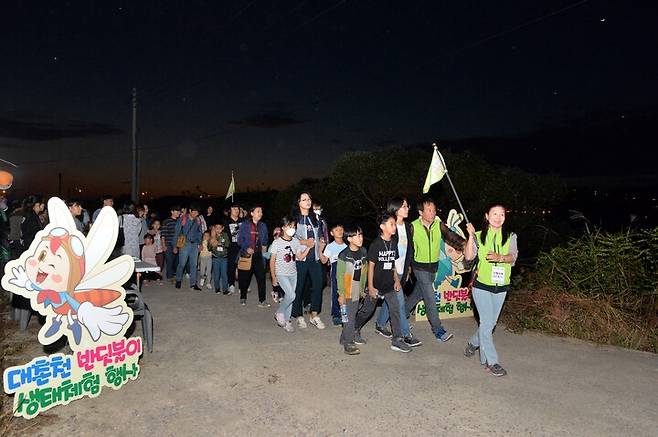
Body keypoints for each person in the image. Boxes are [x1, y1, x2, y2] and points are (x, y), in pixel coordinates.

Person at [463, 204, 518, 377]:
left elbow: (513, 257)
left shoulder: (510, 236)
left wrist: (500, 257)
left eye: (502, 214)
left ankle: (473, 343)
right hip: (481, 286)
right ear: (487, 216)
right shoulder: (479, 236)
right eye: (495, 213)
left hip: (501, 287)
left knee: (490, 324)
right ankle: (492, 362)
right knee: (487, 323)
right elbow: (469, 257)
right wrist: (471, 236)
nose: (498, 217)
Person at [405, 197, 453, 342]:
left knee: (417, 295)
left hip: (433, 267)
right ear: (421, 212)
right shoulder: (412, 227)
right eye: (429, 210)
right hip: (419, 267)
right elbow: (407, 248)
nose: (433, 213)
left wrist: (465, 244)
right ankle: (438, 330)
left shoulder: (438, 225)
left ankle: (401, 314)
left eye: (434, 210)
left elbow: (452, 237)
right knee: (430, 298)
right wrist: (407, 266)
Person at [375, 197, 422, 347]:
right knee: (400, 303)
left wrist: (408, 268)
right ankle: (405, 334)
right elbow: (383, 249)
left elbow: (409, 249)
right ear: (395, 208)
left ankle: (380, 324)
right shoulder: (390, 226)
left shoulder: (408, 227)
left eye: (407, 206)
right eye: (404, 206)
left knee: (392, 301)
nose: (407, 208)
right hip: (391, 271)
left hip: (402, 270)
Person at [367, 212, 412, 353]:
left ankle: (397, 340)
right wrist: (370, 286)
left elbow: (393, 264)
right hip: (376, 285)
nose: (394, 227)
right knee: (366, 311)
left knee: (396, 310)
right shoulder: (376, 244)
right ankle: (354, 329)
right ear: (382, 226)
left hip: (389, 285)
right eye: (391, 224)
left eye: (394, 224)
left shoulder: (394, 243)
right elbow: (371, 266)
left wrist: (397, 280)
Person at [269, 216, 311, 333]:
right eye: (289, 226)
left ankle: (287, 321)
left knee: (290, 297)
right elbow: (272, 260)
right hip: (281, 273)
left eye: (293, 227)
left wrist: (308, 248)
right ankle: (279, 312)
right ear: (283, 227)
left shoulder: (295, 241)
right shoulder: (277, 242)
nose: (292, 229)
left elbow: (300, 257)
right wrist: (273, 277)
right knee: (292, 295)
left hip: (293, 274)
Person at [291, 192, 326, 329]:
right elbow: (289, 238)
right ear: (298, 203)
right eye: (304, 199)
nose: (307, 201)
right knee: (299, 287)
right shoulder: (294, 219)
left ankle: (314, 315)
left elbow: (318, 236)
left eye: (309, 199)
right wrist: (304, 242)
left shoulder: (315, 218)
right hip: (300, 259)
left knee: (318, 285)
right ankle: (298, 315)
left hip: (315, 259)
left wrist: (321, 244)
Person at [336, 225, 372, 355]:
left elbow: (365, 270)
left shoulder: (363, 252)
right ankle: (348, 343)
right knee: (349, 316)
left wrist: (363, 288)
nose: (360, 238)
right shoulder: (343, 255)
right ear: (349, 238)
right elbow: (339, 276)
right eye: (357, 235)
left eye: (361, 235)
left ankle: (344, 337)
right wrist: (341, 294)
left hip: (357, 288)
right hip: (347, 289)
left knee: (351, 314)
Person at [236, 205, 269, 306]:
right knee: (244, 277)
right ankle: (243, 297)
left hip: (259, 255)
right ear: (252, 213)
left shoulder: (263, 226)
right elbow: (239, 240)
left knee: (261, 278)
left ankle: (262, 300)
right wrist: (246, 248)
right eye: (258, 211)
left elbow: (265, 241)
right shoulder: (245, 225)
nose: (260, 213)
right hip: (246, 255)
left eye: (261, 212)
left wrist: (265, 253)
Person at [320, 223, 347, 327]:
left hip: (346, 272)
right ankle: (336, 315)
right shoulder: (330, 246)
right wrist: (320, 249)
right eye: (336, 230)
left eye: (341, 229)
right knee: (336, 293)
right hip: (335, 272)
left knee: (346, 293)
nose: (339, 231)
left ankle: (345, 314)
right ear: (331, 233)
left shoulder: (347, 246)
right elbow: (323, 261)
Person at [174, 205, 203, 290]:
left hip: (194, 245)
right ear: (190, 210)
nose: (195, 213)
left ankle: (193, 283)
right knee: (182, 263)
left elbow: (199, 233)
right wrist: (175, 246)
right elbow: (176, 232)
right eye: (194, 211)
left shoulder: (198, 220)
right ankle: (178, 280)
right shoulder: (182, 219)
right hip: (184, 244)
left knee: (194, 265)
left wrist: (200, 243)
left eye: (197, 212)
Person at [224, 203, 242, 295]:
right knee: (231, 266)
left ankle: (242, 285)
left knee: (242, 266)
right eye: (234, 208)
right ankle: (231, 284)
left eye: (238, 209)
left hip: (241, 246)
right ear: (230, 209)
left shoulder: (242, 221)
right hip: (231, 247)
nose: (236, 210)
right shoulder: (226, 222)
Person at [161, 205, 181, 282]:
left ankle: (174, 273)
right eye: (177, 211)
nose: (178, 213)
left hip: (178, 243)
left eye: (179, 211)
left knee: (177, 260)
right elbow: (163, 234)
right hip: (168, 243)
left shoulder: (179, 221)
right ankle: (170, 276)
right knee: (170, 260)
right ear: (172, 212)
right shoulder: (167, 221)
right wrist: (163, 245)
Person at [209, 223, 230, 294]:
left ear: (222, 228)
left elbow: (227, 244)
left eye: (219, 228)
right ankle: (217, 288)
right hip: (216, 258)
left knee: (224, 274)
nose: (218, 229)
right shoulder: (212, 236)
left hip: (224, 258)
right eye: (216, 228)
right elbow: (209, 248)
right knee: (216, 274)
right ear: (214, 228)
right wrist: (211, 242)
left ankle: (225, 290)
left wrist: (219, 243)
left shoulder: (225, 235)